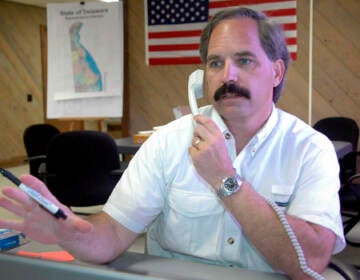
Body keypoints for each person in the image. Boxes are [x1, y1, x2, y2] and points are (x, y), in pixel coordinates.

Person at [0, 7, 345, 279]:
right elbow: (111, 235)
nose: (228, 76)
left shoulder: (311, 149)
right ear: (202, 78)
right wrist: (70, 233)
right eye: (215, 63)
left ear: (277, 72)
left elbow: (310, 264)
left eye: (244, 60)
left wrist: (225, 180)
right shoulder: (168, 142)